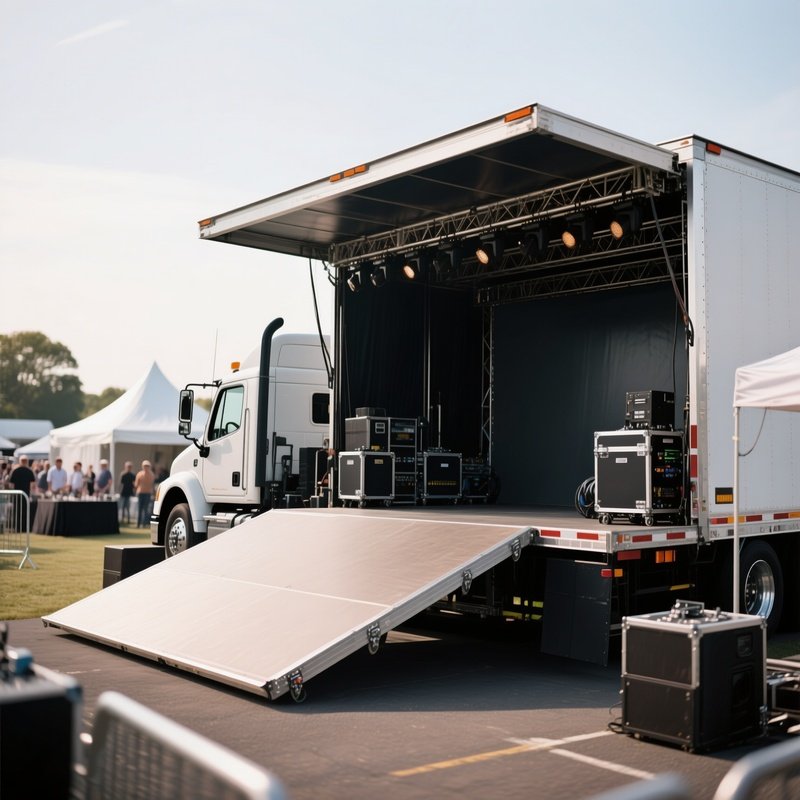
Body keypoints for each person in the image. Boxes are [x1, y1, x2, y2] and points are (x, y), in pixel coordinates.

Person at [134, 460, 155, 528]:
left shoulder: (150, 475)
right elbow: (137, 484)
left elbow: (136, 485)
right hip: (141, 493)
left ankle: (143, 524)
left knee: (145, 509)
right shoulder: (143, 474)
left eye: (147, 466)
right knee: (141, 509)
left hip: (147, 493)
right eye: (145, 466)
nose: (146, 467)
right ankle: (139, 524)